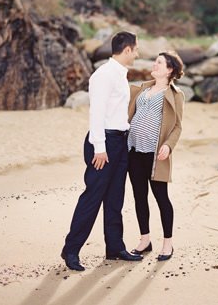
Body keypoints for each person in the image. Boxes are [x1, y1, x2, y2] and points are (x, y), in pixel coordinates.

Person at [61, 31, 143, 271]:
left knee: (115, 197)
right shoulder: (103, 75)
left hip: (119, 142)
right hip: (103, 144)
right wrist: (99, 148)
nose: (138, 54)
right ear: (127, 49)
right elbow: (96, 113)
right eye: (136, 49)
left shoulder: (120, 74)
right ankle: (71, 250)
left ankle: (115, 247)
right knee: (92, 198)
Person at [127, 51, 185, 262]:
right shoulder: (142, 88)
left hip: (156, 156)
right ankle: (145, 240)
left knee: (161, 198)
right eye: (156, 61)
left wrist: (168, 146)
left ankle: (167, 243)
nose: (155, 64)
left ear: (170, 69)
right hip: (134, 151)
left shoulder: (176, 95)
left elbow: (177, 126)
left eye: (159, 62)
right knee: (139, 197)